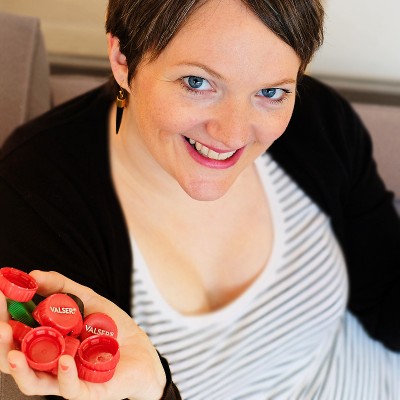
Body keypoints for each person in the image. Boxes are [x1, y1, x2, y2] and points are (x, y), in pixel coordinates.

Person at [0, 0, 400, 398]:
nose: (232, 135)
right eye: (197, 82)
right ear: (123, 59)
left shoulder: (320, 123)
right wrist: (154, 390)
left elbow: (385, 297)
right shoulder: (35, 193)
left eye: (271, 91)